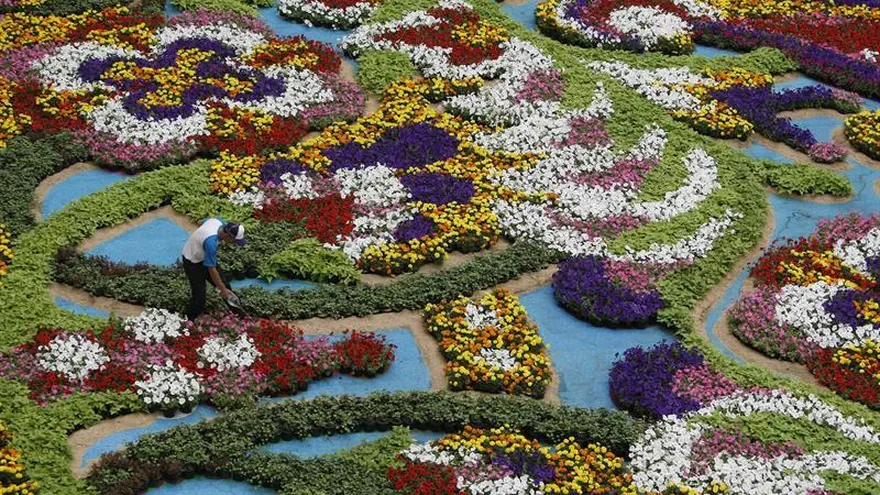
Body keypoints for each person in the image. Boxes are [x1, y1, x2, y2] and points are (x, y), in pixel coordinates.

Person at [181, 217, 246, 320]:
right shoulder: (211, 243)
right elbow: (211, 269)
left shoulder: (218, 221)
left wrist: (223, 288)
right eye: (234, 241)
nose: (234, 244)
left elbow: (199, 222)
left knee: (225, 285)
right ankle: (189, 319)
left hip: (203, 257)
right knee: (199, 296)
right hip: (192, 261)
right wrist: (222, 290)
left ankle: (241, 316)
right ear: (228, 236)